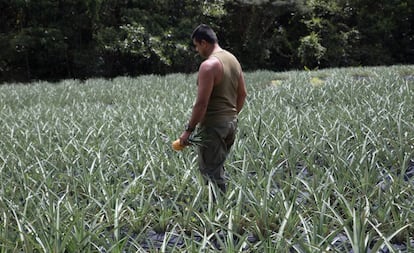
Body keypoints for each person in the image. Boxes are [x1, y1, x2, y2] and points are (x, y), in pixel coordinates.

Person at [178, 24, 247, 193]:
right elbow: (243, 94)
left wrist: (188, 130)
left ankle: (219, 214)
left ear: (204, 43)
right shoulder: (233, 60)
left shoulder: (209, 65)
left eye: (196, 45)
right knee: (217, 167)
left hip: (213, 126)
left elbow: (201, 103)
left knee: (211, 173)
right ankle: (222, 208)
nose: (196, 50)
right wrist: (230, 117)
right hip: (230, 124)